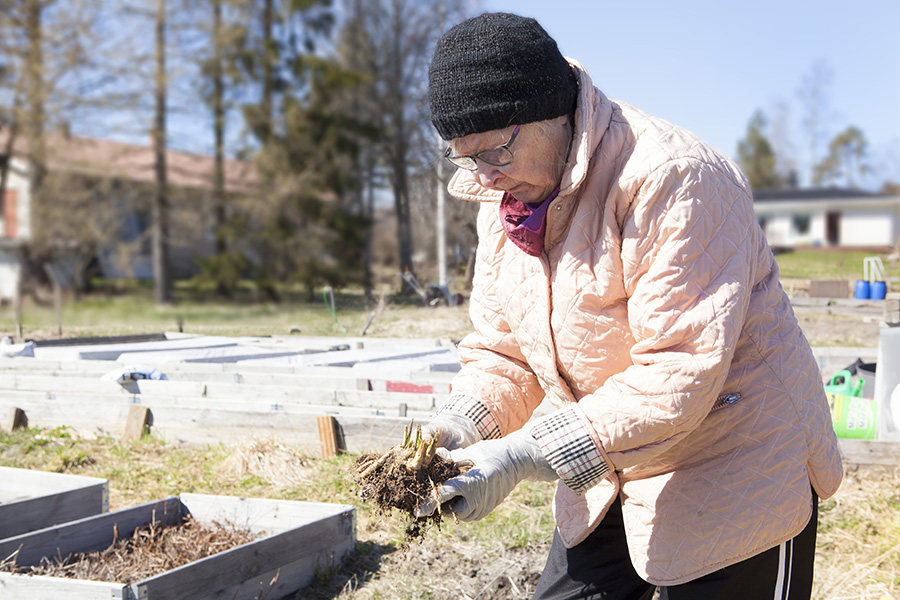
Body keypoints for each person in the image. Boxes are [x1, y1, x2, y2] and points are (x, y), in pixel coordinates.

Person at [417, 11, 843, 600]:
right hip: (608, 460)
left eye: (495, 153)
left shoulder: (673, 179)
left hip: (735, 462)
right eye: (466, 159)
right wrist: (463, 424)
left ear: (553, 112)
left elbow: (679, 372)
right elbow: (504, 351)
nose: (486, 180)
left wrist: (519, 456)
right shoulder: (509, 205)